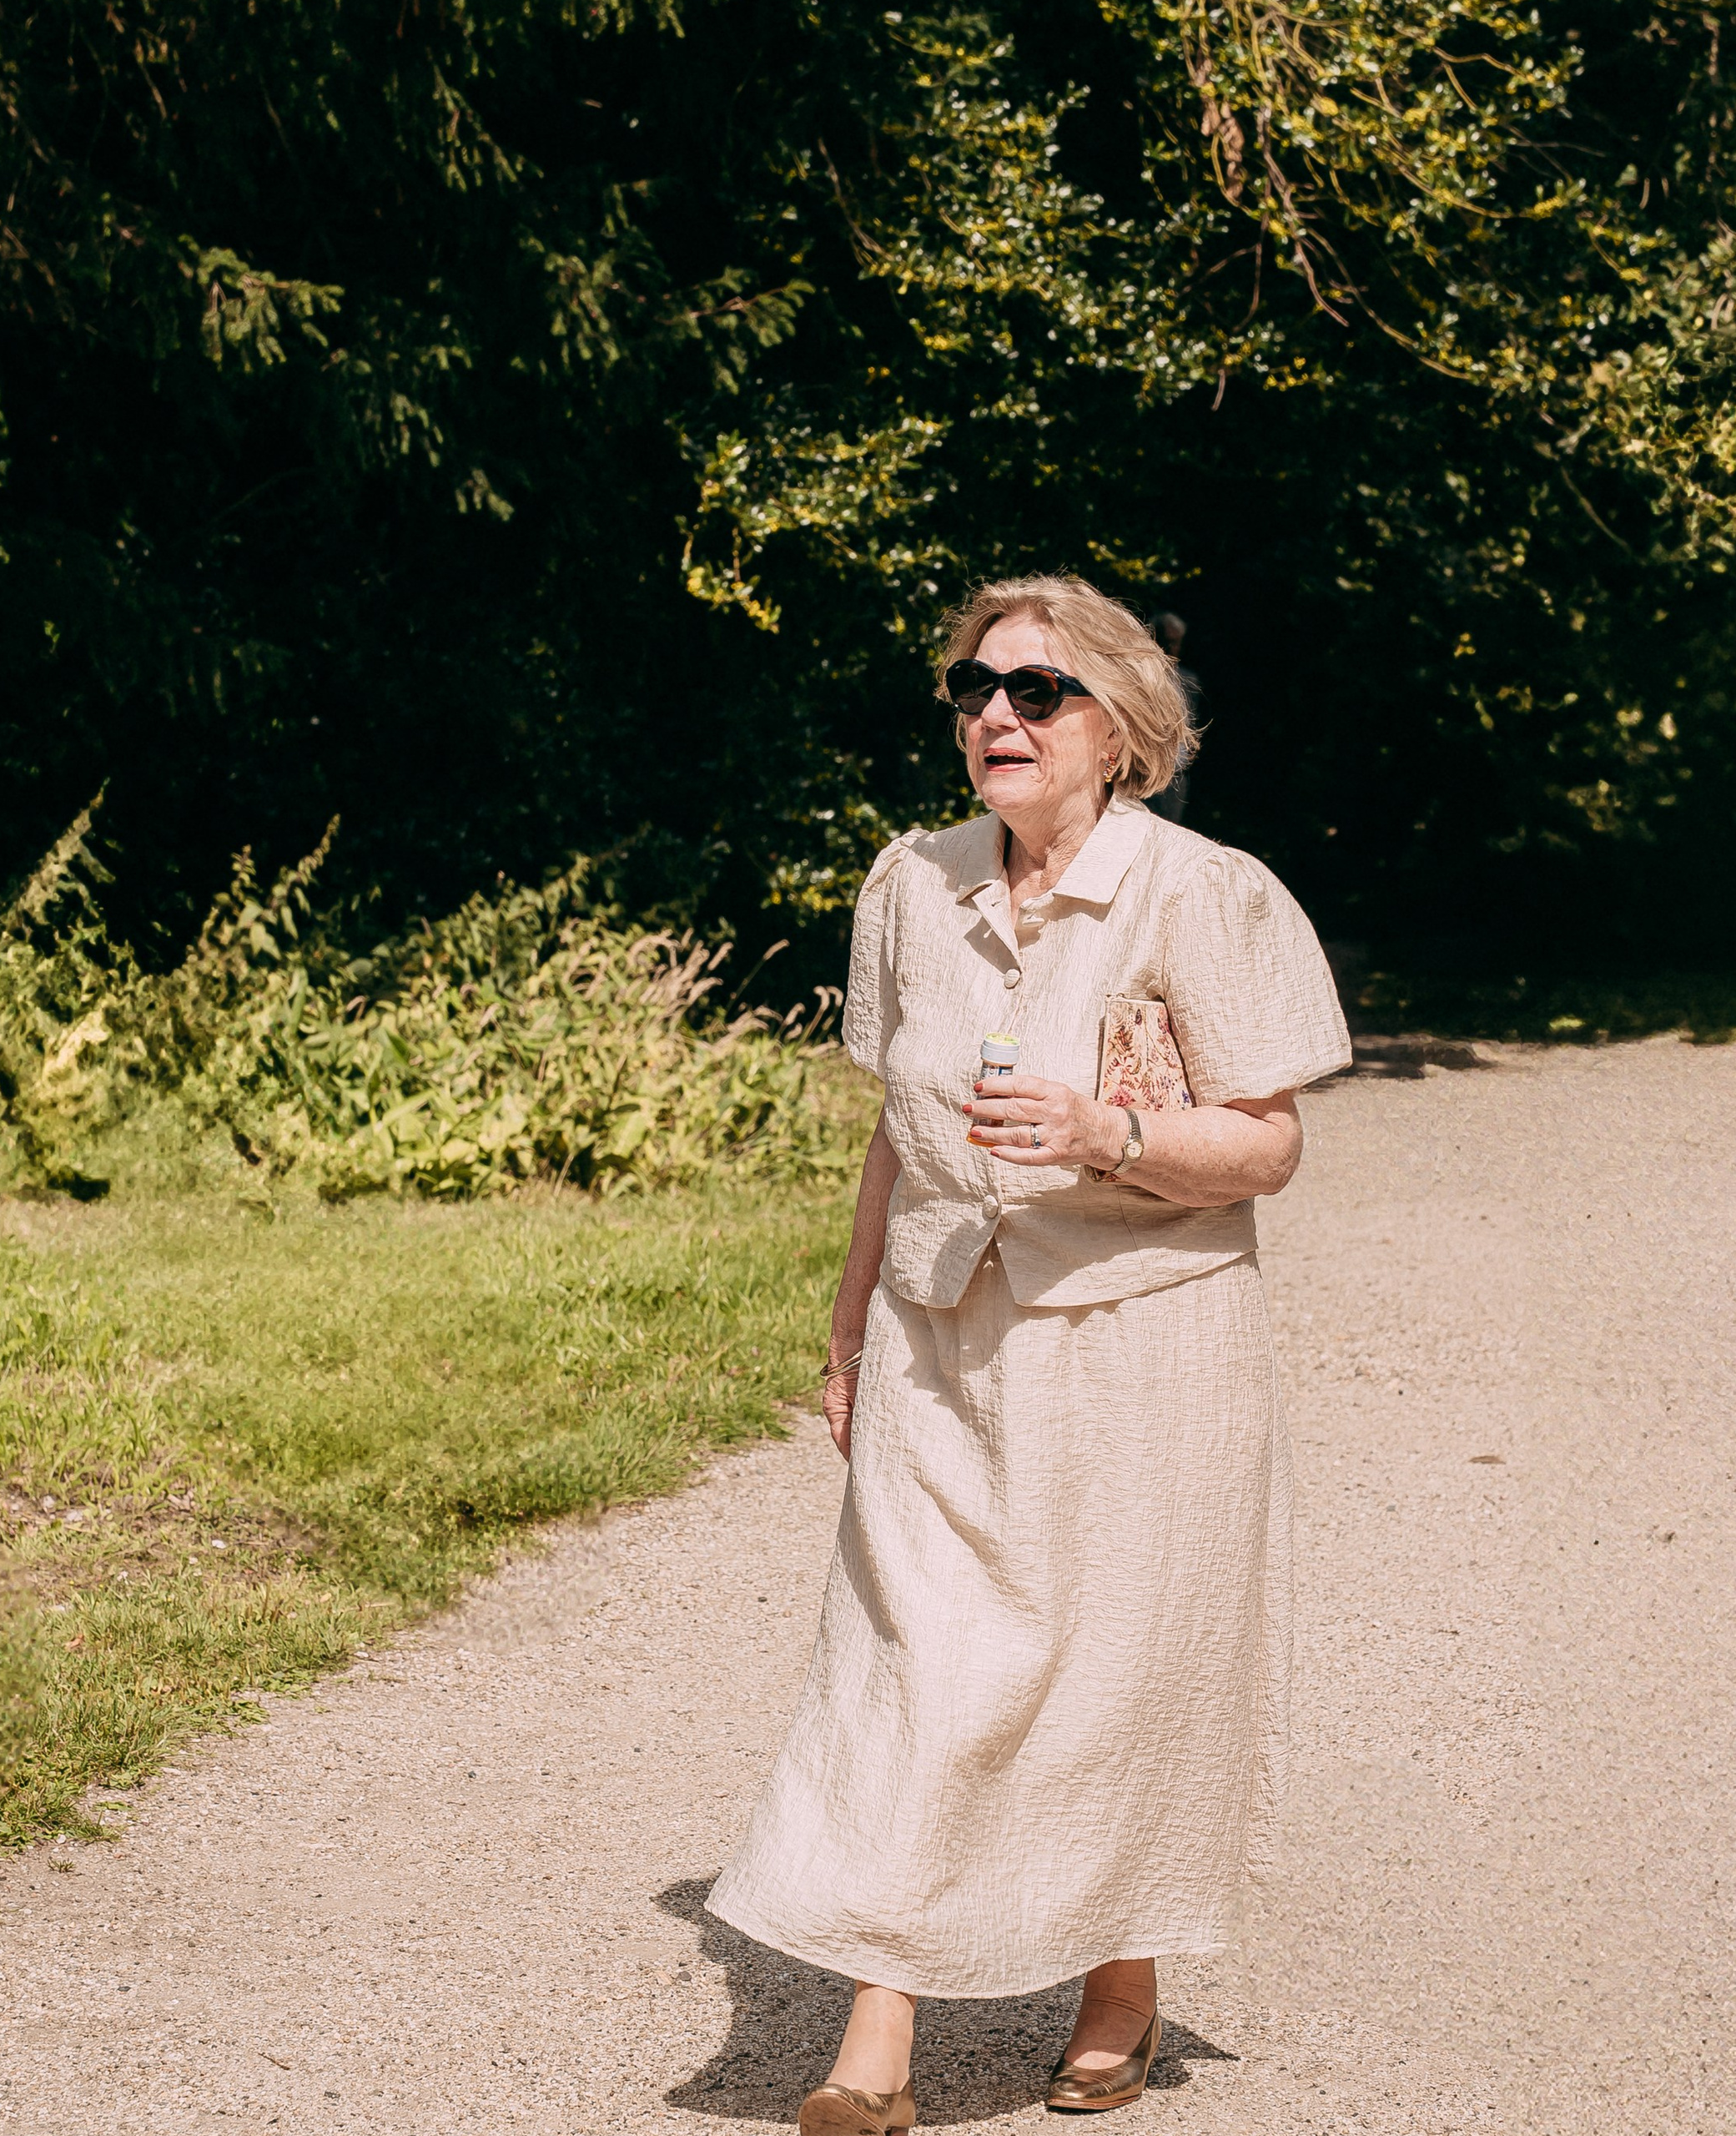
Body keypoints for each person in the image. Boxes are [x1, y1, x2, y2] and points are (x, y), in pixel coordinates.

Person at [707, 573, 1350, 2133]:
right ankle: (877, 2039)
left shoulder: (1206, 895)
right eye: (976, 688)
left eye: (1039, 691)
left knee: (1121, 1675)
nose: (998, 712)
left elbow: (1265, 1150)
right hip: (942, 1334)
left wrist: (1104, 1130)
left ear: (1119, 729)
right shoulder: (909, 886)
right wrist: (850, 1320)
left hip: (1143, 1342)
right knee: (914, 1673)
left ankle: (1121, 1987)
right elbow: (890, 1132)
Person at [1144, 611, 1199, 824]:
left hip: (1175, 776)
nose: (1170, 649)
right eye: (1165, 642)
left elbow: (1191, 728)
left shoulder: (1188, 681)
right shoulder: (1139, 678)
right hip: (1142, 773)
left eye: (1175, 643)